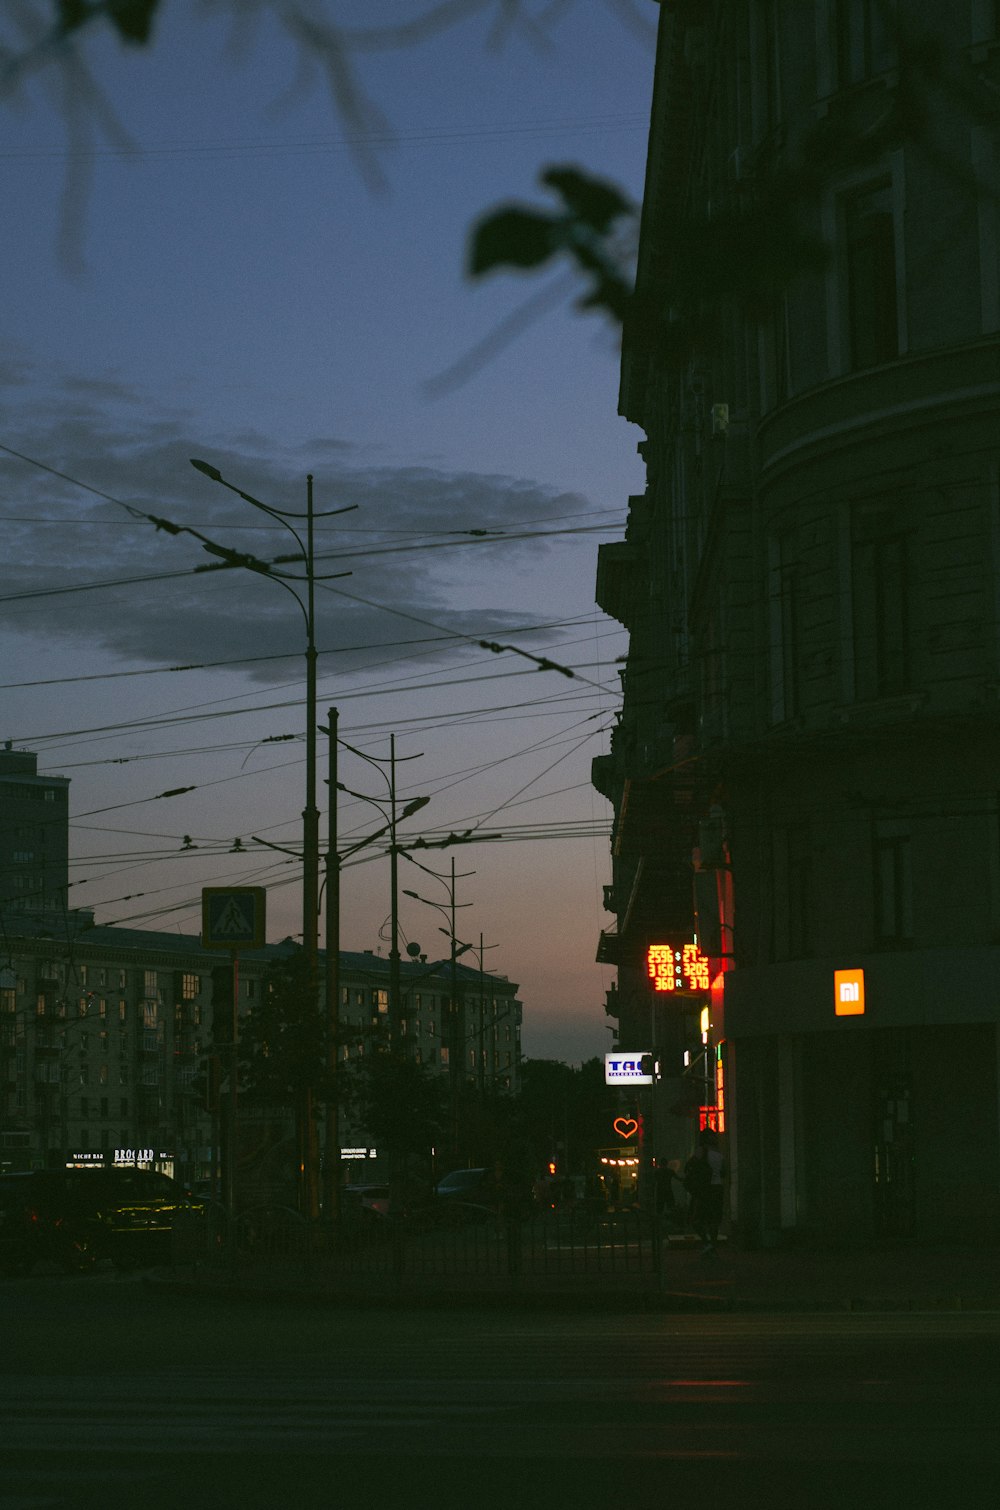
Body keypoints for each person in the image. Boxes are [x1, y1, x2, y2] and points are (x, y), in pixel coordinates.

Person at [684, 1130, 726, 1255]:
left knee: (696, 1219)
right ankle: (712, 1244)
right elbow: (723, 1173)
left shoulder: (699, 1152)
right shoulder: (719, 1155)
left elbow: (689, 1168)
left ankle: (706, 1242)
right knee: (714, 1220)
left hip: (703, 1190)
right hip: (717, 1189)